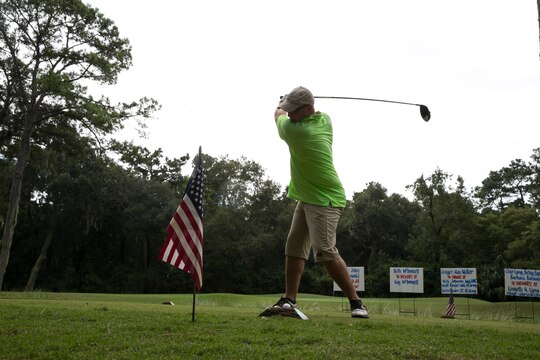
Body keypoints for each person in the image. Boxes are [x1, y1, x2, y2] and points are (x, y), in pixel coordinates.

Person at [271, 86, 368, 319]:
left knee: (325, 251)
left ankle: (357, 303)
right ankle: (290, 300)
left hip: (324, 200)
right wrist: (290, 103)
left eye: (294, 110)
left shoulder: (296, 132)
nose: (290, 114)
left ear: (307, 109)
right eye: (289, 110)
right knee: (294, 248)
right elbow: (290, 112)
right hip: (307, 198)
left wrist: (281, 102)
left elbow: (277, 114)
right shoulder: (324, 120)